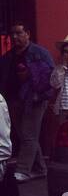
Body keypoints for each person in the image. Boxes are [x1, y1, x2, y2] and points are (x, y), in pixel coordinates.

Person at [0, 23, 53, 181]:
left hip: (34, 99)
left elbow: (49, 75)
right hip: (14, 99)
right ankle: (40, 168)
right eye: (12, 34)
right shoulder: (8, 56)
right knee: (25, 135)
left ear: (27, 33)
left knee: (29, 134)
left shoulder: (39, 53)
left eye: (18, 33)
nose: (15, 37)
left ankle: (22, 170)